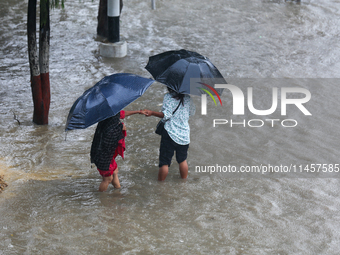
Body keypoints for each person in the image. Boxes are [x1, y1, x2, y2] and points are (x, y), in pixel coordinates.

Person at [141, 87, 195, 181]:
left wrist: (152, 112)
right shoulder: (188, 98)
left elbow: (166, 115)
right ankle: (183, 182)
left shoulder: (168, 97)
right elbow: (191, 112)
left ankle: (160, 186)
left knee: (164, 163)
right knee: (182, 160)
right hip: (184, 135)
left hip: (169, 133)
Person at [90, 110, 141, 192]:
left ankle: (118, 192)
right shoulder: (109, 123)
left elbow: (122, 113)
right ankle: (101, 197)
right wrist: (121, 128)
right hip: (102, 153)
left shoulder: (108, 113)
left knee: (115, 171)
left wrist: (138, 111)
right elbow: (109, 137)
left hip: (105, 152)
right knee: (107, 179)